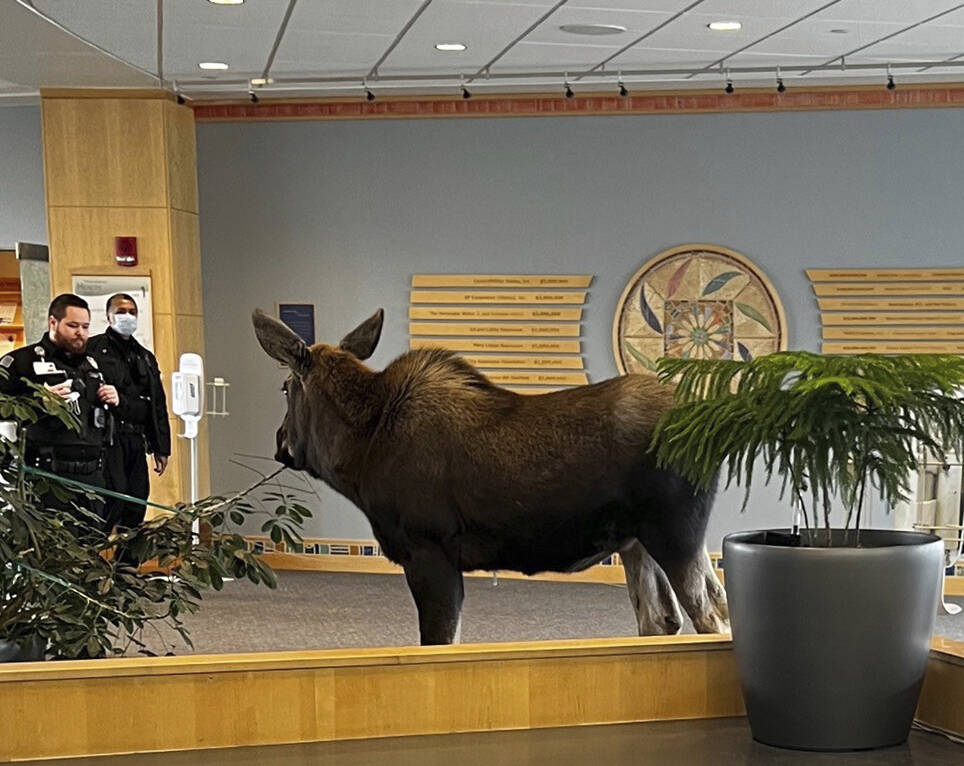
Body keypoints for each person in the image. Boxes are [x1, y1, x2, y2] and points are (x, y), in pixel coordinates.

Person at [0, 294, 119, 531]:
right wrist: (39, 402)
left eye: (85, 327)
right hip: (46, 477)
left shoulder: (92, 365)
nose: (80, 333)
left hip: (91, 475)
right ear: (53, 323)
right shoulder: (21, 362)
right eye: (73, 326)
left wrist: (115, 398)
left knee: (90, 551)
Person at [88, 293, 170, 536]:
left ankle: (126, 570)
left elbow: (157, 405)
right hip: (108, 440)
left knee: (137, 501)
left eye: (132, 312)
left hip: (136, 439)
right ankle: (91, 566)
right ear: (108, 316)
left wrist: (161, 446)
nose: (127, 317)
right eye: (121, 311)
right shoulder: (93, 351)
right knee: (113, 499)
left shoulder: (144, 356)